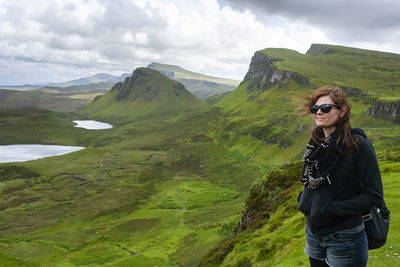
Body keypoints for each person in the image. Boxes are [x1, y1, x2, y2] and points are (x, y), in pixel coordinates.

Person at [297, 85, 384, 267]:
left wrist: (330, 209)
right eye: (315, 108)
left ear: (342, 112)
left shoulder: (359, 147)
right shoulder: (316, 145)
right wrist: (304, 199)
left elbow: (373, 196)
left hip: (345, 237)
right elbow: (313, 182)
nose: (318, 112)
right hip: (314, 232)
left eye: (325, 108)